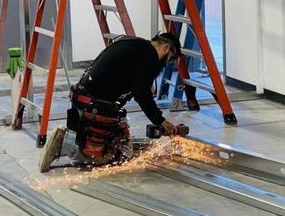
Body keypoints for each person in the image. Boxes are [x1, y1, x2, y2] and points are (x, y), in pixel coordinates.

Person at [39, 32, 188, 173]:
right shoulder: (149, 55)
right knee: (109, 158)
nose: (166, 64)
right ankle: (64, 143)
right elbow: (141, 94)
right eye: (169, 59)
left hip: (86, 100)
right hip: (95, 106)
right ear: (166, 47)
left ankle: (87, 140)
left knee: (125, 148)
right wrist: (160, 120)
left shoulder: (137, 45)